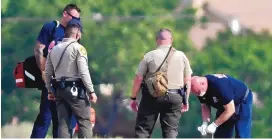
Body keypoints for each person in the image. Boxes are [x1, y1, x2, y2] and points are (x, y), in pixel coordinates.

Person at [129, 28, 193, 138]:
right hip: (175, 96)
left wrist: (133, 98)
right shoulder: (181, 55)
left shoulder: (149, 55)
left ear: (157, 40)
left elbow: (139, 78)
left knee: (143, 130)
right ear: (171, 40)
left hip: (152, 96)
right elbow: (188, 80)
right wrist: (185, 99)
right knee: (171, 131)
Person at [31, 4, 81, 138]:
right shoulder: (51, 28)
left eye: (77, 19)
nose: (75, 22)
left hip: (66, 84)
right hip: (50, 80)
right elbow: (38, 50)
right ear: (65, 14)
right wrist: (43, 71)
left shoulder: (75, 33)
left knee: (61, 121)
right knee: (45, 118)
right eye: (73, 18)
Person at [44, 19, 97, 138]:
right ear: (78, 35)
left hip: (59, 90)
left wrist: (49, 90)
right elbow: (83, 72)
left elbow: (47, 73)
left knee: (63, 123)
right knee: (84, 121)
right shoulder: (79, 48)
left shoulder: (54, 49)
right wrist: (91, 91)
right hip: (76, 91)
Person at [191, 74, 253, 138]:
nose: (199, 95)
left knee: (242, 135)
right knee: (221, 136)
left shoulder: (219, 86)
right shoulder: (199, 89)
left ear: (203, 84)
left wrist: (214, 125)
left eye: (199, 92)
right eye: (197, 94)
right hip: (224, 105)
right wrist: (205, 123)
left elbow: (230, 110)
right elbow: (205, 106)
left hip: (241, 100)